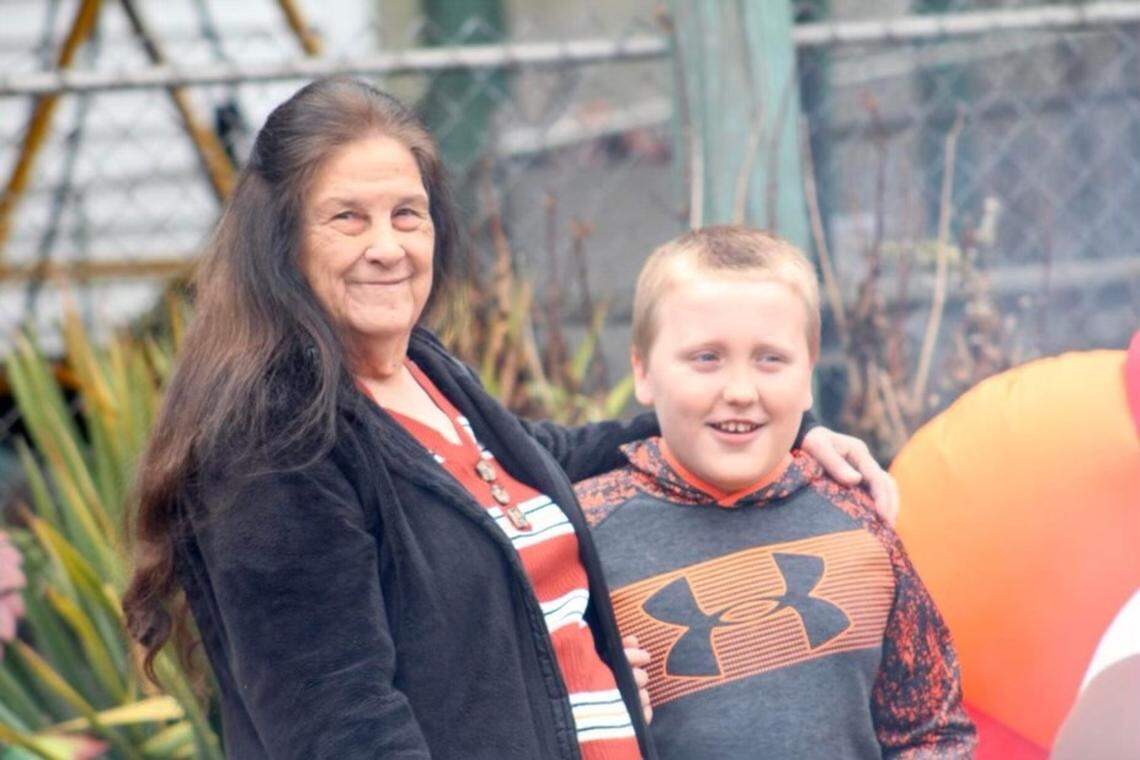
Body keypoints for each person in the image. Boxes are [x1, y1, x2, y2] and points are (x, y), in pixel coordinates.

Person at [121, 79, 896, 759]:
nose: (387, 247)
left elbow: (551, 457)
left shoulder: (427, 377)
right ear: (280, 240)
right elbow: (343, 726)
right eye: (347, 219)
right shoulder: (273, 441)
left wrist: (769, 426)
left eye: (407, 214)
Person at [576, 226, 975, 758]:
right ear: (643, 373)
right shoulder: (580, 538)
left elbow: (933, 729)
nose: (740, 392)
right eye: (705, 358)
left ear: (809, 376)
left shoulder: (860, 520)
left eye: (770, 359)